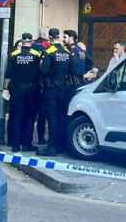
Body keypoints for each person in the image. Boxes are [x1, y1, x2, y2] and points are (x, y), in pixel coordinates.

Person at [38, 28, 75, 156]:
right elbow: (72, 70)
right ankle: (60, 145)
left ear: (49, 37)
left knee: (52, 118)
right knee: (61, 117)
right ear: (58, 37)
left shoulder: (48, 52)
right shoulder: (67, 51)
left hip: (52, 89)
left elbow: (43, 70)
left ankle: (52, 146)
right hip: (64, 89)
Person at [4, 33, 41, 153]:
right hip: (32, 90)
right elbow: (41, 72)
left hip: (17, 89)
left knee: (16, 116)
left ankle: (15, 145)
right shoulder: (36, 55)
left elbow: (8, 74)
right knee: (29, 117)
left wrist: (5, 89)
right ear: (31, 42)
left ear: (22, 41)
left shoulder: (14, 55)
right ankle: (27, 144)